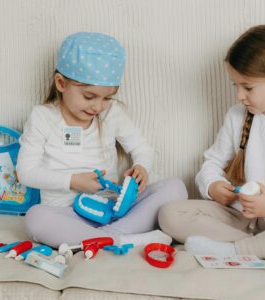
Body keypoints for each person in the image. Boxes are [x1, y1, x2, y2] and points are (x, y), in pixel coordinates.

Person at [17, 32, 188, 248]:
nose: (98, 107)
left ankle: (106, 238)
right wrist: (73, 182)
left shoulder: (111, 114)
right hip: (68, 214)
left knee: (176, 187)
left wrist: (141, 167)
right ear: (61, 83)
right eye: (89, 97)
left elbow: (142, 148)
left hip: (114, 208)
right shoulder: (42, 117)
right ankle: (122, 240)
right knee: (36, 217)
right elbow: (26, 172)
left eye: (107, 98)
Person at [158, 25, 265, 259]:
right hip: (240, 220)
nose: (239, 96)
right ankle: (255, 248)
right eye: (236, 86)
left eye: (248, 87)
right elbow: (212, 162)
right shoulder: (238, 116)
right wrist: (213, 186)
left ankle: (235, 251)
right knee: (169, 214)